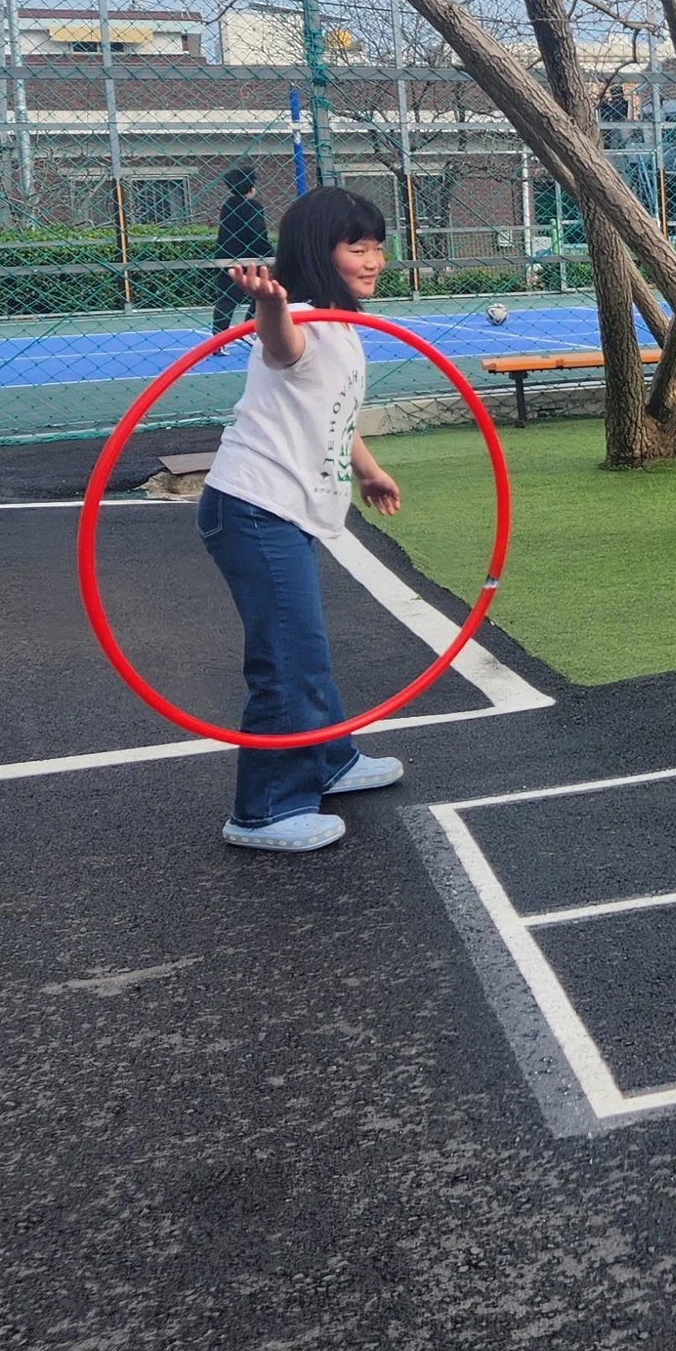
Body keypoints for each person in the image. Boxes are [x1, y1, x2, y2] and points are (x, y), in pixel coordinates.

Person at [199, 185, 408, 854]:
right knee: (285, 656)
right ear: (320, 254)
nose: (374, 260)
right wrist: (268, 305)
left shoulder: (343, 326)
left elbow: (331, 414)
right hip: (255, 508)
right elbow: (283, 346)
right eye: (357, 247)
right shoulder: (305, 320)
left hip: (282, 510)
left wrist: (367, 468)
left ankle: (328, 760)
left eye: (377, 247)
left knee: (305, 645)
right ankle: (262, 808)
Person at [210, 163, 271, 331]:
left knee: (227, 298)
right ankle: (249, 327)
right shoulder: (253, 206)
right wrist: (268, 253)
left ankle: (218, 335)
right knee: (261, 293)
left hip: (226, 257)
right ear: (251, 188)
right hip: (250, 258)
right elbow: (258, 233)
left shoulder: (227, 206)